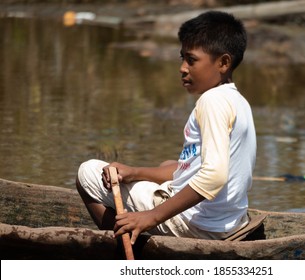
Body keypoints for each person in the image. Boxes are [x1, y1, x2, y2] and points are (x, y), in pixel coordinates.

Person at [76, 10, 257, 245]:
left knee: (87, 173)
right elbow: (194, 169)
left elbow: (213, 177)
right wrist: (133, 172)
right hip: (230, 221)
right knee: (168, 166)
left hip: (196, 225)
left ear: (223, 63)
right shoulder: (237, 101)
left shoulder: (211, 102)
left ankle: (125, 242)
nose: (183, 68)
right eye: (182, 58)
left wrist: (150, 218)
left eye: (191, 60)